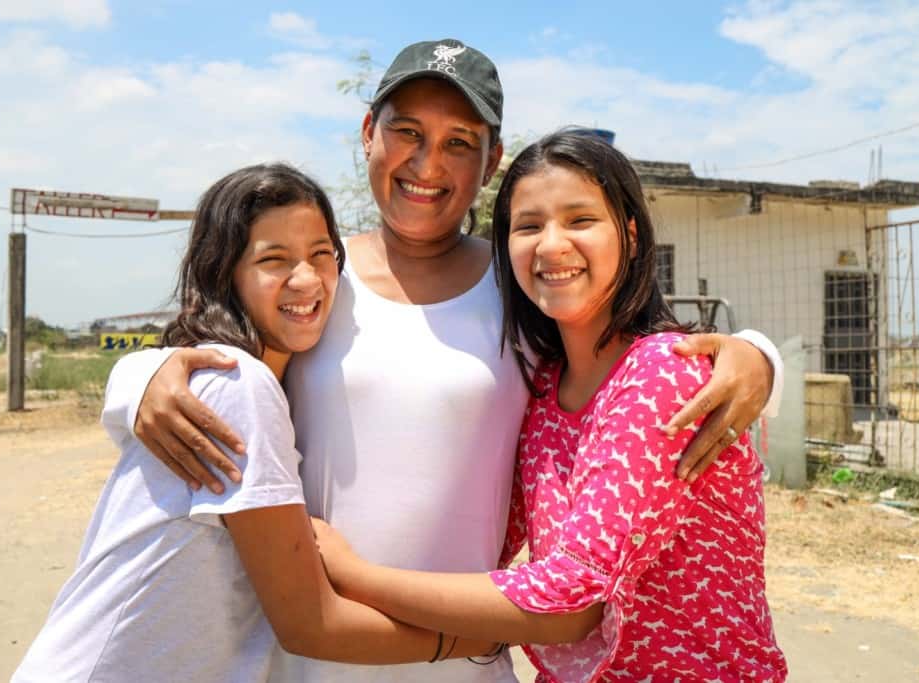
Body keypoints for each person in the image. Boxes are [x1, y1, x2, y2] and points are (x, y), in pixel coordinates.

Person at [102, 40, 783, 682]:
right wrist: (138, 380)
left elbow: (627, 369)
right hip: (313, 651)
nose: (428, 164)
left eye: (460, 142)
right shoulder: (319, 282)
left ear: (491, 164)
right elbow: (213, 358)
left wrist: (759, 357)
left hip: (464, 658)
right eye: (407, 132)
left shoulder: (519, 290)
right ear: (368, 131)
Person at [312, 131, 788, 682]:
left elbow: (571, 596)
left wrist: (354, 576)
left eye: (580, 220)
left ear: (630, 236)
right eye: (529, 226)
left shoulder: (662, 370)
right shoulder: (544, 391)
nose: (552, 245)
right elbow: (492, 541)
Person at [12, 164, 497, 682]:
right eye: (273, 260)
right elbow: (311, 626)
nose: (307, 279)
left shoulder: (255, 379)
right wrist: (479, 638)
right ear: (225, 273)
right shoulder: (236, 382)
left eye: (320, 255)